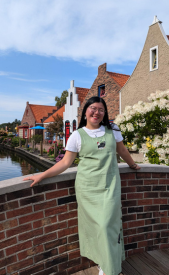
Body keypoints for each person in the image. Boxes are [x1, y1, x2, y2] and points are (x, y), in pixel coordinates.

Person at [23, 96, 140, 275]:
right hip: (87, 189)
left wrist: (132, 164)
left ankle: (110, 268)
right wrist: (42, 175)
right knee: (97, 228)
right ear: (85, 111)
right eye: (93, 108)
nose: (97, 112)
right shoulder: (77, 135)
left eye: (101, 109)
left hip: (110, 187)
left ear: (104, 113)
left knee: (108, 225)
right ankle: (106, 265)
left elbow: (122, 150)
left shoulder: (113, 130)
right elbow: (65, 163)